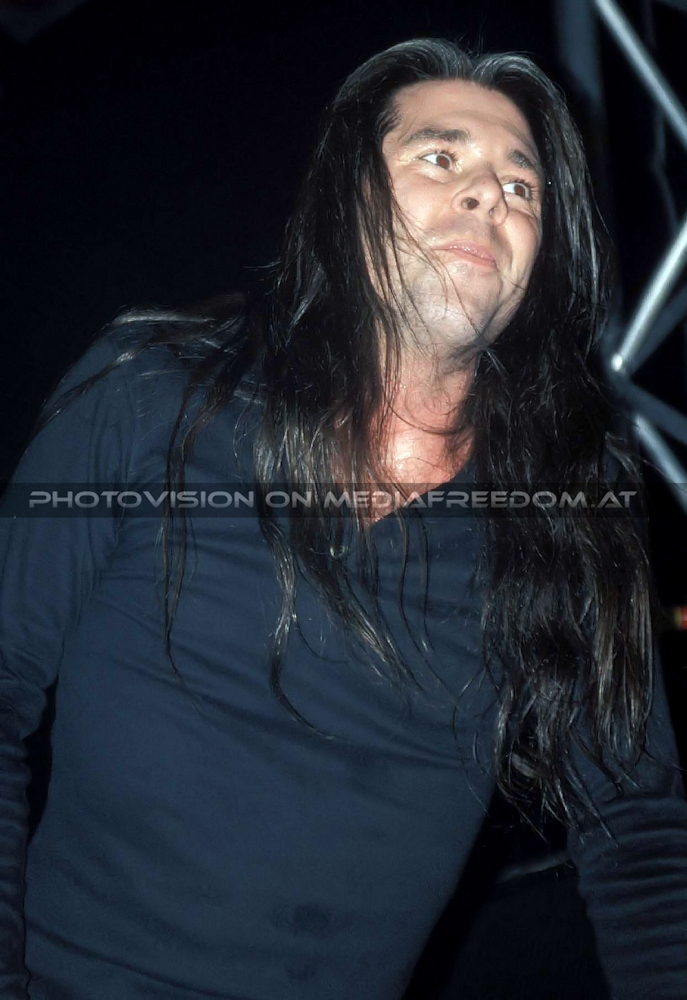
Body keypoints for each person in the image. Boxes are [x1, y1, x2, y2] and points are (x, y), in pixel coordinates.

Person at [1, 37, 686, 1000]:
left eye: (520, 186)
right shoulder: (155, 392)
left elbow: (640, 831)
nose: (490, 195)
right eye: (441, 157)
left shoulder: (568, 505)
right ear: (346, 197)